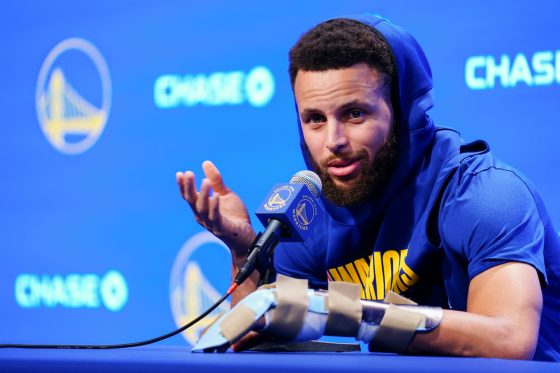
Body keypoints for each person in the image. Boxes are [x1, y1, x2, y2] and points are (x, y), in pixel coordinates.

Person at [176, 15, 560, 361]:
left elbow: (509, 341)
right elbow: (258, 341)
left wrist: (350, 312)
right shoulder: (310, 213)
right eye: (314, 119)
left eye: (355, 113)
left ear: (405, 110)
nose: (334, 141)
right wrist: (245, 253)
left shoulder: (483, 194)